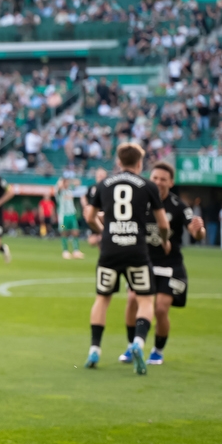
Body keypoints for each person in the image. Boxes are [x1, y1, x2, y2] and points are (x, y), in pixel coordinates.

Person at [84, 143, 169, 375]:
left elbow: (90, 217)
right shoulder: (148, 186)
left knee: (102, 299)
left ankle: (94, 349)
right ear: (140, 163)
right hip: (137, 251)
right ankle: (138, 344)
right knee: (144, 300)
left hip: (110, 250)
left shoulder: (104, 185)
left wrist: (103, 231)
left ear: (119, 163)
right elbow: (163, 224)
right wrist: (165, 240)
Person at [118, 162, 204, 365]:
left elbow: (196, 232)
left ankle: (157, 350)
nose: (158, 182)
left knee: (161, 309)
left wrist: (199, 230)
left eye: (163, 179)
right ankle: (133, 346)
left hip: (170, 265)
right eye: (155, 178)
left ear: (171, 182)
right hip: (143, 262)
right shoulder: (139, 202)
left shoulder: (179, 206)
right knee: (131, 300)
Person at [82, 168, 109, 246]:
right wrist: (86, 207)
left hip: (105, 216)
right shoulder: (92, 187)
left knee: (102, 239)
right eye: (98, 175)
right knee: (92, 241)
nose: (100, 177)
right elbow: (83, 197)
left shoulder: (108, 187)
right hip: (94, 216)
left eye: (101, 175)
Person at [57, 178, 83, 259]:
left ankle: (76, 251)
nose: (67, 184)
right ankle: (65, 251)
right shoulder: (59, 192)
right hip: (63, 217)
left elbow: (78, 182)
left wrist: (72, 181)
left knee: (75, 231)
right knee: (63, 232)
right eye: (66, 182)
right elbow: (59, 187)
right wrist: (61, 181)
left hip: (72, 215)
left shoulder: (69, 190)